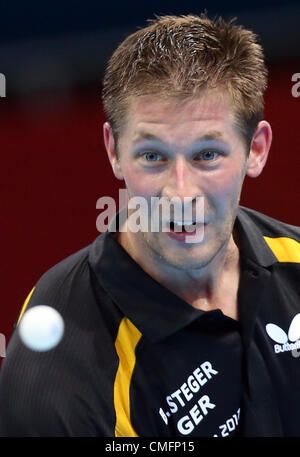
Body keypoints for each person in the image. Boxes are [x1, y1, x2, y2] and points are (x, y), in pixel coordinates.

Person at [0, 12, 299, 438]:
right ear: (114, 150)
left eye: (207, 155)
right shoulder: (59, 375)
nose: (179, 193)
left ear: (257, 149)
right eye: (153, 156)